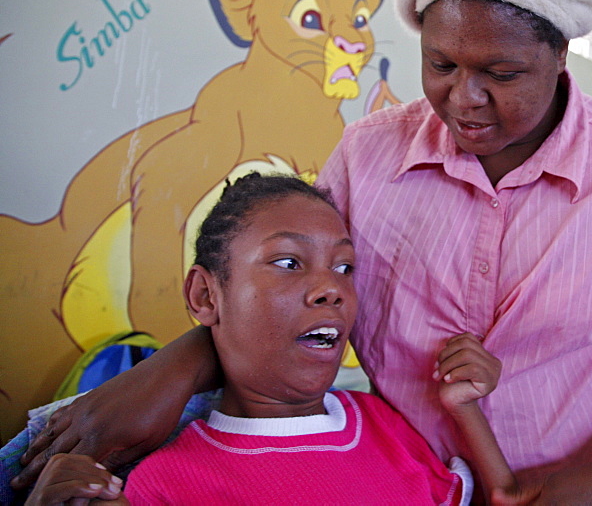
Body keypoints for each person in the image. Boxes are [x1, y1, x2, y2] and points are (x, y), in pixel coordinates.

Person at [15, 0, 592, 505]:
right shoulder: (368, 156)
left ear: (560, 57)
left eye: (501, 73)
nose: (464, 98)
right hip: (394, 481)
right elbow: (291, 284)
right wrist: (174, 368)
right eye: (442, 64)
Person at [23, 173, 514, 505]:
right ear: (205, 295)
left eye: (345, 267)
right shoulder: (168, 482)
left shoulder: (380, 423)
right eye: (287, 262)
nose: (332, 289)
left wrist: (465, 408)